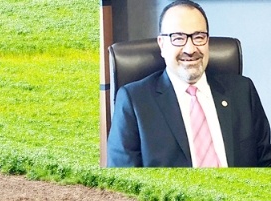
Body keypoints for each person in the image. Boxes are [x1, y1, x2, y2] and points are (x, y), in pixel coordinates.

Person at [107, 0, 271, 167]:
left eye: (199, 37)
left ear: (207, 41)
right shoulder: (134, 101)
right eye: (178, 38)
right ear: (162, 44)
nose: (190, 49)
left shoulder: (243, 91)